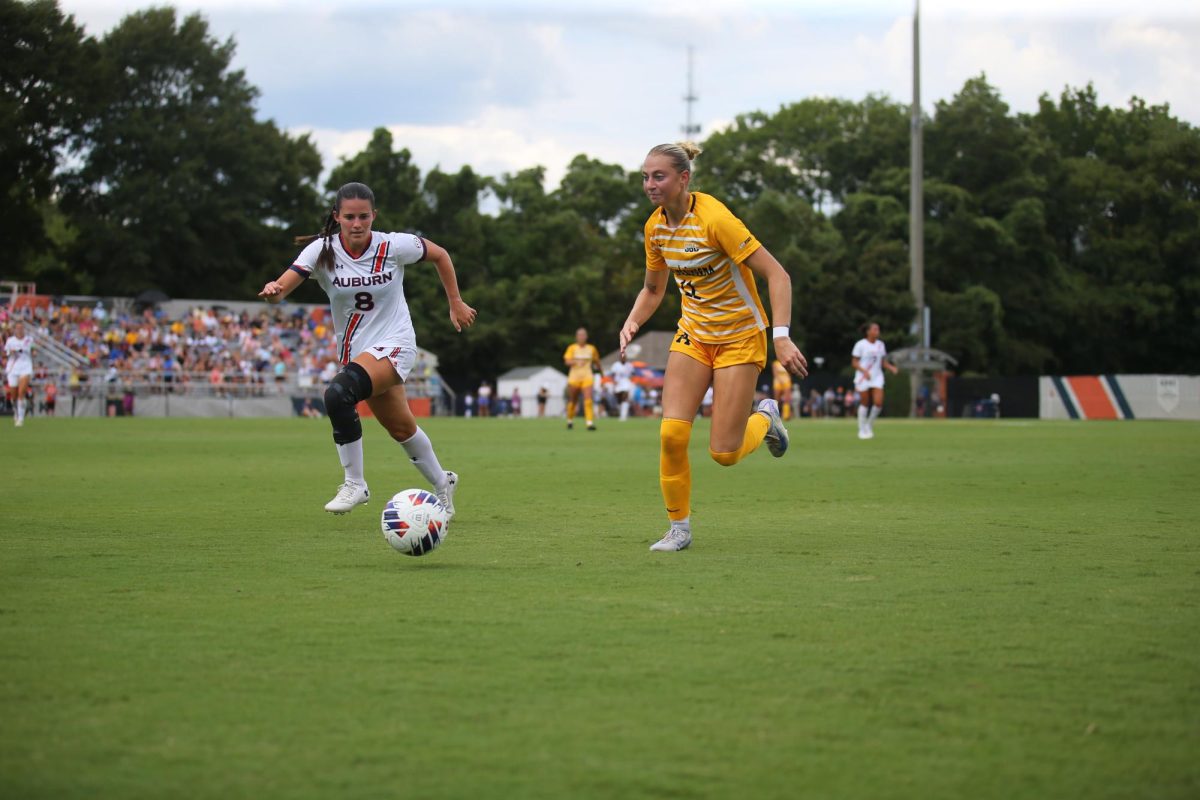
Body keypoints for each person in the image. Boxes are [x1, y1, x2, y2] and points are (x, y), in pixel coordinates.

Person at [619, 142, 807, 552]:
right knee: (671, 434)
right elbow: (653, 289)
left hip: (741, 337)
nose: (650, 185)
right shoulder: (655, 228)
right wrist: (633, 320)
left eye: (659, 176)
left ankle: (766, 419)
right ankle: (678, 529)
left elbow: (779, 276)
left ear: (683, 179)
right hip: (694, 335)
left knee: (724, 452)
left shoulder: (716, 219)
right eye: (646, 177)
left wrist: (781, 336)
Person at [259, 181, 476, 516]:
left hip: (396, 345)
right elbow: (284, 286)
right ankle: (442, 481)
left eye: (363, 216)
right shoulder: (322, 251)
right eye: (349, 217)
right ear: (337, 217)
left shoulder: (393, 246)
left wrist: (455, 301)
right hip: (359, 352)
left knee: (337, 394)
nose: (357, 223)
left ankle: (355, 484)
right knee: (401, 428)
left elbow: (440, 255)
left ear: (374, 216)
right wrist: (275, 291)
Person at [851, 321, 900, 439]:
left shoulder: (880, 345)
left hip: (877, 376)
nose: (877, 331)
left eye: (878, 329)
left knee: (878, 403)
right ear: (868, 331)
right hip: (863, 377)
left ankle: (869, 425)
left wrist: (891, 368)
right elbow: (854, 362)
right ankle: (861, 429)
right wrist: (864, 371)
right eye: (875, 329)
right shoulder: (860, 344)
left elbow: (883, 362)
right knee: (864, 403)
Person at [563, 327, 600, 430]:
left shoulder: (591, 349)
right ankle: (570, 420)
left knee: (588, 400)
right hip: (574, 377)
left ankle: (589, 423)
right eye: (580, 335)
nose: (582, 337)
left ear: (586, 336)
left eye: (583, 335)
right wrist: (576, 362)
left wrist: (601, 372)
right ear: (576, 337)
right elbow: (567, 361)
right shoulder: (572, 348)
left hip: (587, 376)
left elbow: (597, 361)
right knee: (573, 400)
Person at [4, 321, 34, 427]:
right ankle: (16, 411)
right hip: (13, 367)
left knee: (21, 393)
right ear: (15, 329)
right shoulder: (10, 340)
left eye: (21, 328)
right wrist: (10, 352)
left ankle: (21, 419)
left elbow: (31, 350)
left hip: (25, 366)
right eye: (18, 328)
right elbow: (6, 352)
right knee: (13, 395)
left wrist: (20, 350)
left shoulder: (29, 339)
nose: (20, 330)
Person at [609, 352, 636, 421]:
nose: (623, 358)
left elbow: (633, 373)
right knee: (619, 399)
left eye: (624, 357)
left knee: (625, 396)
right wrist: (613, 381)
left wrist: (631, 380)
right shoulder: (616, 365)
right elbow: (612, 374)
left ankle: (623, 416)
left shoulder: (629, 365)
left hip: (626, 382)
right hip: (618, 383)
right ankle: (621, 412)